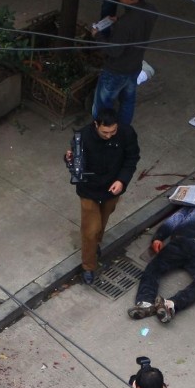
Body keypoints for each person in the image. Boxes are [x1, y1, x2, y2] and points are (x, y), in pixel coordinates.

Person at [64, 108, 140, 284]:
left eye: (113, 131)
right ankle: (88, 266)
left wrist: (122, 180)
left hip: (111, 189)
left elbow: (132, 158)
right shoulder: (82, 137)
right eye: (105, 132)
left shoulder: (127, 133)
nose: (110, 135)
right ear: (96, 124)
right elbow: (75, 165)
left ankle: (93, 247)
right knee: (90, 230)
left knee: (101, 223)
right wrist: (69, 160)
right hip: (89, 189)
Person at [91, 0, 157, 127]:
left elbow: (114, 51)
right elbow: (135, 28)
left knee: (102, 105)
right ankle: (123, 130)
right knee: (127, 102)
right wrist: (118, 21)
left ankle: (102, 132)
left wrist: (97, 35)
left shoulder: (125, 24)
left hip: (115, 71)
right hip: (134, 66)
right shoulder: (151, 11)